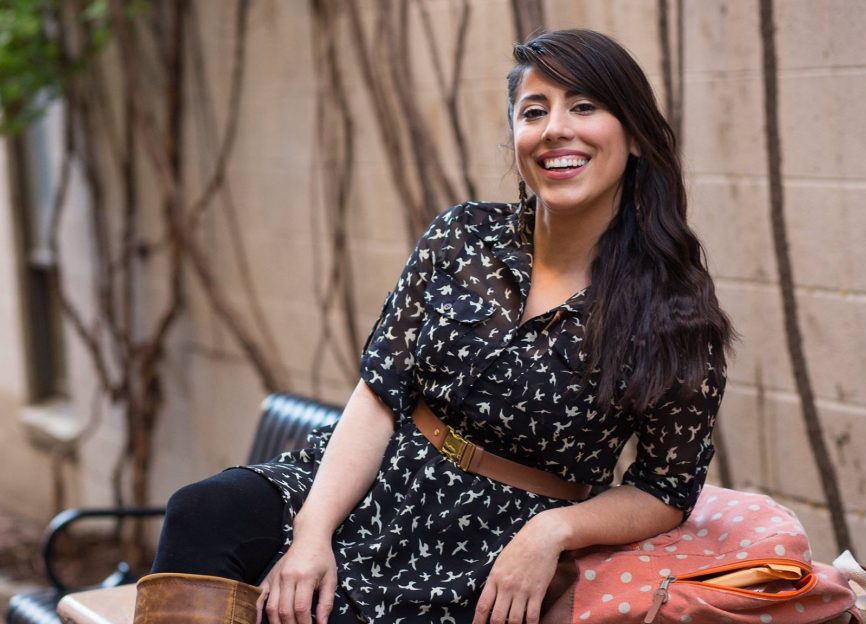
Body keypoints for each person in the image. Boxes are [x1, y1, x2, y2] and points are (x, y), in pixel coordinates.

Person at [133, 28, 735, 624]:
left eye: (584, 106)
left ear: (632, 136)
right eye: (534, 111)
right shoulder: (463, 236)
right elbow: (380, 391)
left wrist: (553, 531)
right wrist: (312, 532)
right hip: (378, 472)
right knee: (203, 512)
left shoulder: (674, 312)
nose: (555, 128)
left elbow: (664, 490)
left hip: (490, 536)